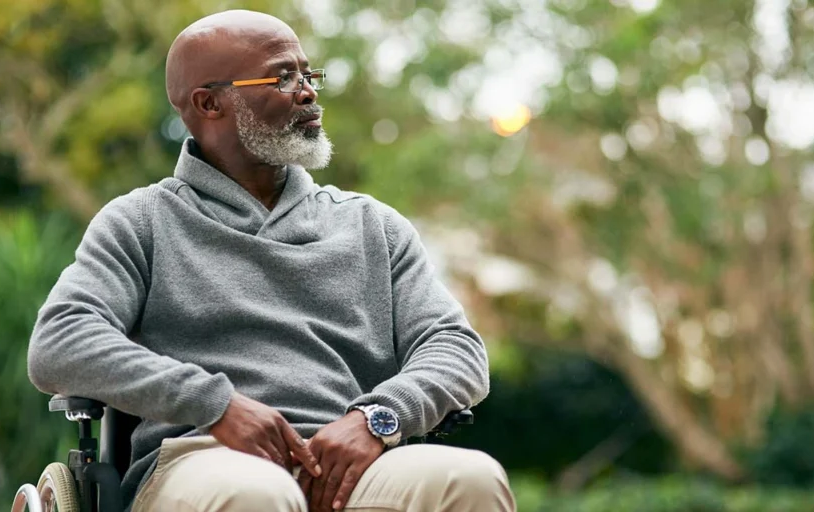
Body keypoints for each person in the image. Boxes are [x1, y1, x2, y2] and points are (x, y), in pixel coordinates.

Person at [26, 9, 516, 512]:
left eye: (308, 74)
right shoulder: (141, 221)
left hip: (351, 461)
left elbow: (456, 348)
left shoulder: (372, 226)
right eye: (283, 78)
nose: (307, 92)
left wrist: (376, 419)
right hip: (203, 459)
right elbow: (60, 342)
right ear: (209, 102)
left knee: (470, 478)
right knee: (259, 495)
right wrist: (215, 405)